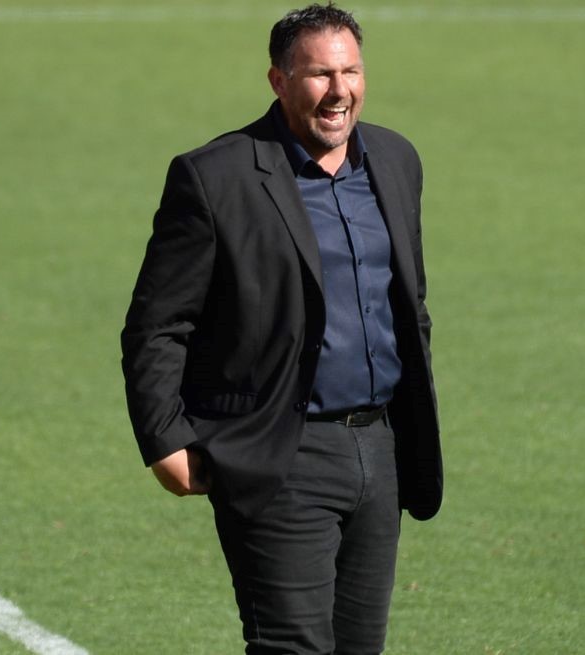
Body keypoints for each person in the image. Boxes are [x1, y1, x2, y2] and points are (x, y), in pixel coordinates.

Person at [120, 4, 442, 652]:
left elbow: (410, 302)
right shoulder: (216, 177)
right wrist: (165, 440)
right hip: (280, 453)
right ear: (278, 80)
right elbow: (157, 324)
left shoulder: (395, 160)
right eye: (320, 74)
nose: (339, 91)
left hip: (379, 447)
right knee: (291, 647)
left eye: (351, 72)